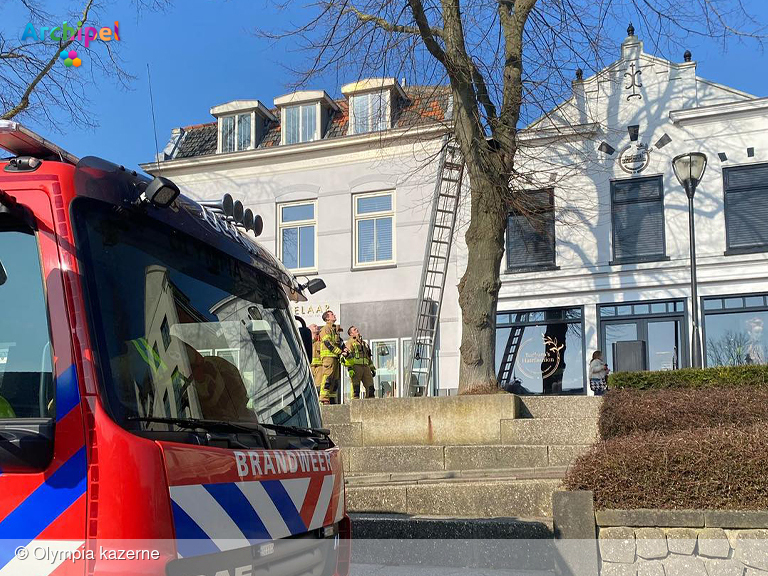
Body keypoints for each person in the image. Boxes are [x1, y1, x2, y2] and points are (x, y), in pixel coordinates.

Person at [318, 310, 347, 404]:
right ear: (327, 318)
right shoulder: (325, 329)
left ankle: (332, 398)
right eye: (332, 315)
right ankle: (324, 398)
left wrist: (344, 349)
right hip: (328, 358)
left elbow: (340, 343)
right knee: (328, 377)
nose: (334, 315)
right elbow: (328, 343)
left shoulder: (334, 330)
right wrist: (339, 352)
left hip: (335, 357)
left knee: (335, 380)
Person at [344, 326, 376, 399]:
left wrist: (372, 368)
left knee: (370, 387)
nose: (357, 330)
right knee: (356, 388)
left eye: (356, 329)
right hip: (356, 367)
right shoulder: (349, 343)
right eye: (354, 330)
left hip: (366, 367)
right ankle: (355, 404)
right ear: (351, 334)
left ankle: (370, 404)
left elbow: (368, 357)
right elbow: (347, 357)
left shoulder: (364, 344)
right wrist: (350, 368)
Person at [309, 324, 322, 390]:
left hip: (319, 367)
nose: (317, 327)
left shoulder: (321, 341)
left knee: (318, 386)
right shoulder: (306, 341)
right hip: (309, 367)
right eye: (314, 326)